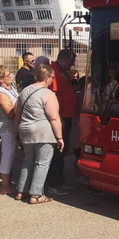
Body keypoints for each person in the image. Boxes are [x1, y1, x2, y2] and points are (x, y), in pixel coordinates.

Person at [13, 64, 63, 204]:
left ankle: (21, 191)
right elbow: (54, 118)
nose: (53, 80)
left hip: (25, 130)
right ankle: (36, 194)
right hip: (43, 132)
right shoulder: (48, 94)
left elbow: (17, 113)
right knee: (42, 163)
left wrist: (16, 131)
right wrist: (59, 137)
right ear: (46, 78)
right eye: (52, 78)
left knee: (28, 160)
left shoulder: (24, 91)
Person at [45, 49, 78, 195]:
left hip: (67, 116)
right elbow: (54, 97)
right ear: (65, 59)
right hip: (62, 117)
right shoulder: (55, 72)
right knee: (58, 151)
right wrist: (58, 117)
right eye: (71, 61)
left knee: (62, 151)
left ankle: (59, 180)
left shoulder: (61, 72)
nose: (73, 65)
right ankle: (54, 183)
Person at [0, 65, 19, 195]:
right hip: (7, 127)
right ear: (1, 79)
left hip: (13, 125)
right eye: (8, 74)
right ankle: (5, 186)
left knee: (11, 153)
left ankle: (8, 182)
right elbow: (10, 113)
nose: (11, 75)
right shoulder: (0, 93)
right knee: (7, 154)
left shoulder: (11, 87)